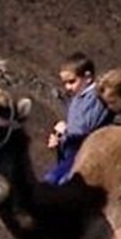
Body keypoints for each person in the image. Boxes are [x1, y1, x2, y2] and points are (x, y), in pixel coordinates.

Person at [44, 53, 112, 184]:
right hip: (72, 154)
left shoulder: (96, 98)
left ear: (87, 77)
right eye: (65, 83)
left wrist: (65, 130)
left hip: (86, 153)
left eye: (72, 82)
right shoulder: (77, 99)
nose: (67, 87)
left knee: (52, 182)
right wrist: (59, 140)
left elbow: (84, 129)